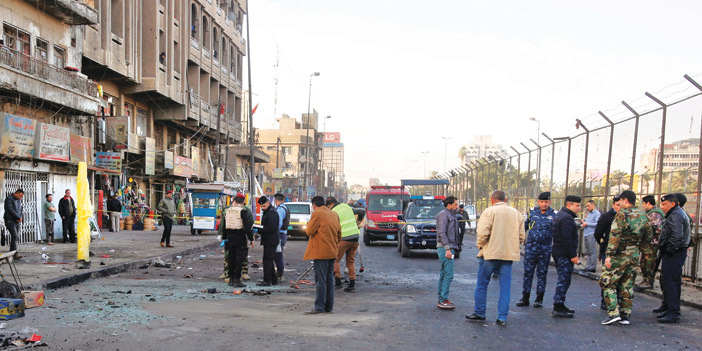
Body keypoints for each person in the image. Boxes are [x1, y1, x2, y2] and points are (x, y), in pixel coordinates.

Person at [466, 191, 524, 326]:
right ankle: (502, 317)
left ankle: (480, 313)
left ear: (492, 199)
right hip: (508, 256)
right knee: (505, 288)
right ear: (506, 199)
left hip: (490, 254)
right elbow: (521, 236)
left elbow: (482, 233)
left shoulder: (489, 212)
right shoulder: (516, 213)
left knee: (482, 284)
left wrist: (480, 246)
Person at [599, 190, 652, 325]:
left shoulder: (622, 215)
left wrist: (609, 255)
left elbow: (615, 236)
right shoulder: (644, 216)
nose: (620, 203)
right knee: (627, 285)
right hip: (634, 255)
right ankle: (625, 315)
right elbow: (648, 239)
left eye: (621, 201)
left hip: (619, 255)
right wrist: (642, 254)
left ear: (625, 200)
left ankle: (613, 313)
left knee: (607, 282)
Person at [655, 194, 691, 323]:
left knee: (671, 283)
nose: (662, 207)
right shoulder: (675, 213)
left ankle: (673, 312)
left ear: (673, 204)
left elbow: (676, 237)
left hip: (674, 253)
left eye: (665, 204)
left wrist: (669, 250)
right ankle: (669, 308)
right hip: (674, 252)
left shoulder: (676, 215)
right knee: (669, 281)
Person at [303, 196, 341, 314]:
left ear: (314, 205)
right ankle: (328, 307)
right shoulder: (334, 214)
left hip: (321, 253)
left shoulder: (317, 214)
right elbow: (339, 233)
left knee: (320, 280)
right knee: (329, 279)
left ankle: (319, 307)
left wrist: (310, 221)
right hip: (332, 251)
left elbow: (309, 231)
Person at [517, 191, 555, 308]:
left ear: (549, 202)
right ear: (538, 202)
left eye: (546, 202)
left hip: (545, 249)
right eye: (542, 202)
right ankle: (525, 297)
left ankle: (539, 299)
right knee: (528, 273)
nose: (544, 204)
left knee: (542, 274)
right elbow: (524, 227)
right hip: (531, 248)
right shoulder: (532, 213)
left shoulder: (554, 215)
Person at [551, 195, 581, 318]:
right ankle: (558, 306)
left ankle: (560, 304)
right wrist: (573, 255)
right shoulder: (567, 218)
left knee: (564, 279)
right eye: (577, 205)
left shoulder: (561, 215)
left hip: (560, 252)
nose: (579, 208)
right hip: (564, 254)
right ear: (570, 205)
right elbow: (567, 239)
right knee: (564, 280)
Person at [326, 197, 361, 293]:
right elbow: (360, 213)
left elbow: (333, 226)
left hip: (344, 238)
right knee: (350, 262)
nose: (328, 208)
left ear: (331, 205)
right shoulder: (347, 206)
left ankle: (338, 283)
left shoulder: (334, 211)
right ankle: (352, 284)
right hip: (355, 237)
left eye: (328, 207)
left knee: (335, 260)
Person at [219, 194, 254, 288]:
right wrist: (251, 239)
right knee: (239, 258)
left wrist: (224, 237)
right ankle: (236, 280)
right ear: (242, 203)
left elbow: (224, 225)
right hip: (240, 236)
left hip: (230, 237)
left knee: (231, 257)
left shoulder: (228, 211)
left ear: (234, 202)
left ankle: (230, 279)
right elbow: (247, 227)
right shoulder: (243, 211)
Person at [594, 195, 621, 310]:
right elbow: (598, 233)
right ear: (614, 205)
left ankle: (617, 300)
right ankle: (605, 301)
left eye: (622, 204)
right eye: (618, 205)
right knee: (607, 277)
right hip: (608, 251)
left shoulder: (625, 217)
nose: (620, 207)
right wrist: (603, 244)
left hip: (621, 252)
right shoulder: (606, 217)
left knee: (619, 277)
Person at [434, 196, 459, 309]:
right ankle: (443, 299)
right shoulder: (444, 215)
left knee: (444, 274)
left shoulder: (450, 215)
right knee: (448, 274)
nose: (457, 207)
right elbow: (442, 233)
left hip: (448, 247)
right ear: (449, 205)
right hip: (445, 248)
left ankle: (442, 298)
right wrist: (447, 248)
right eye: (455, 205)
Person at [637, 195, 664, 290]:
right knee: (643, 262)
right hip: (647, 243)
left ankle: (649, 281)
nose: (643, 206)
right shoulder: (649, 213)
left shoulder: (655, 214)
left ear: (648, 203)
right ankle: (645, 280)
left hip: (652, 243)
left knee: (649, 263)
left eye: (644, 204)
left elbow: (656, 228)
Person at [257, 196, 280, 286]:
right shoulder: (268, 212)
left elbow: (271, 228)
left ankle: (267, 280)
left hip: (271, 240)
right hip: (268, 240)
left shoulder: (272, 213)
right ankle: (273, 279)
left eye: (264, 206)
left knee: (267, 261)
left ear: (268, 203)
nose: (262, 208)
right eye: (261, 207)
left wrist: (259, 230)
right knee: (269, 260)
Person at [3, 189, 24, 259]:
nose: (20, 198)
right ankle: (14, 253)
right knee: (14, 235)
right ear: (16, 193)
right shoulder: (9, 199)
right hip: (10, 220)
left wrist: (20, 217)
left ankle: (13, 252)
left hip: (17, 220)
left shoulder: (19, 200)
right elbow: (10, 210)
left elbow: (21, 209)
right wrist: (18, 217)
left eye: (21, 197)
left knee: (15, 236)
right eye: (20, 196)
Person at [274, 193, 290, 281]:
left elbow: (278, 223)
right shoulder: (285, 208)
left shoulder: (280, 209)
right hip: (283, 234)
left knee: (277, 255)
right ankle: (279, 273)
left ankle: (280, 274)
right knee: (278, 254)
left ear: (276, 200)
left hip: (279, 234)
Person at [582, 200, 601, 272]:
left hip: (591, 234)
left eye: (588, 206)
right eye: (587, 206)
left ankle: (593, 267)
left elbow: (597, 224)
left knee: (592, 251)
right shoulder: (589, 214)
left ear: (593, 205)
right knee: (587, 251)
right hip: (586, 233)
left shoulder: (596, 214)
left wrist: (587, 224)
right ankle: (588, 266)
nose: (587, 207)